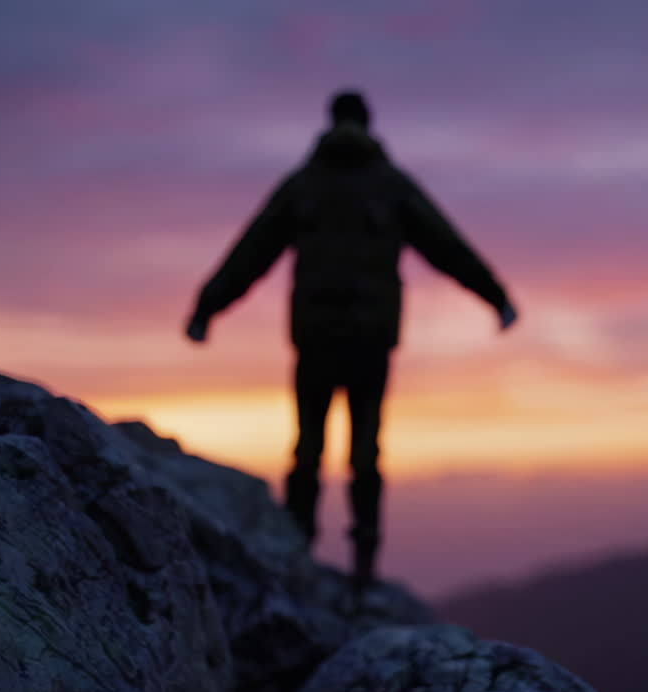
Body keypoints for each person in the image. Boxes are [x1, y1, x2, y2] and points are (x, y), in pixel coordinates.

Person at [185, 89, 517, 591]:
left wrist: (207, 308)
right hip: (370, 337)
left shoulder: (305, 184)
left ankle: (296, 556)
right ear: (369, 123)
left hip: (315, 334)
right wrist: (496, 296)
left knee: (307, 448)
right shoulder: (390, 185)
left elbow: (251, 252)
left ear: (331, 121)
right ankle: (364, 567)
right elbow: (448, 247)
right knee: (366, 452)